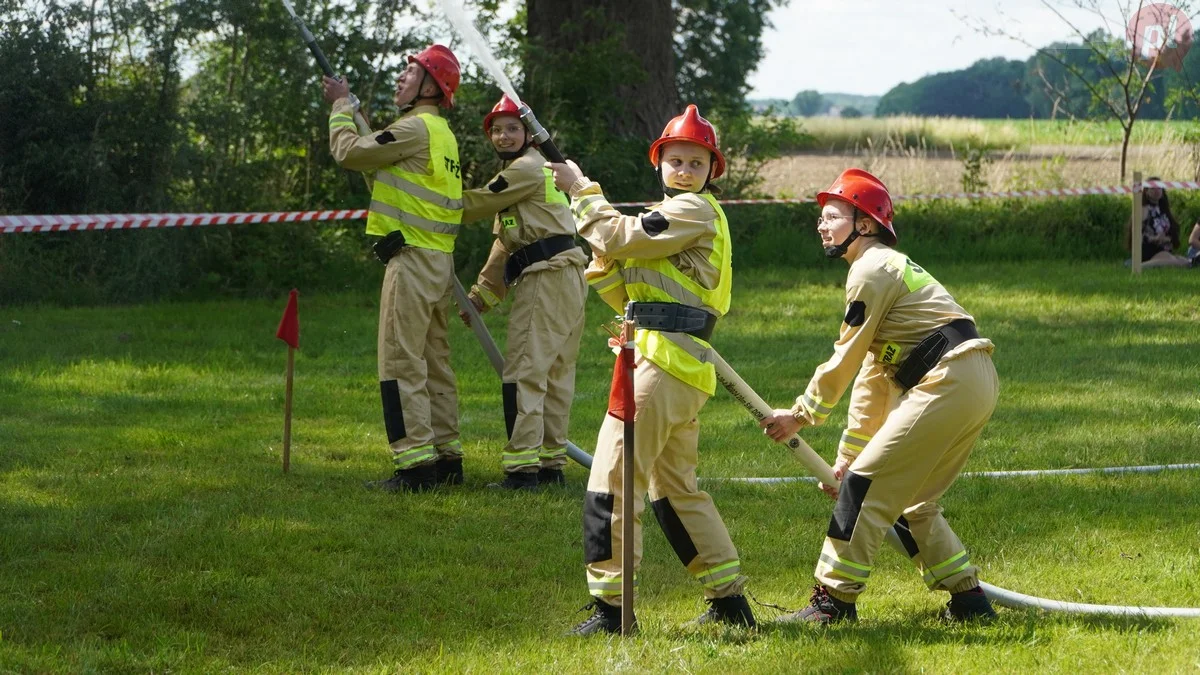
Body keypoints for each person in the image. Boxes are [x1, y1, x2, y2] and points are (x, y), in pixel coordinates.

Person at [547, 105, 756, 635]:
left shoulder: (693, 212)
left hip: (664, 365)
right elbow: (624, 288)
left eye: (695, 161)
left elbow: (618, 235)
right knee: (674, 489)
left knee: (612, 480)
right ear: (658, 164)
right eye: (675, 160)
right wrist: (604, 262)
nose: (684, 170)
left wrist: (582, 191)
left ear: (712, 171)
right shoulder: (663, 222)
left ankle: (613, 610)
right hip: (664, 362)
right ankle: (730, 604)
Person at [759, 168, 999, 624]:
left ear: (864, 224)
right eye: (822, 217)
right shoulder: (886, 266)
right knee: (912, 502)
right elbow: (872, 374)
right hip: (973, 379)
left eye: (832, 216)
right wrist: (849, 452)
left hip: (947, 379)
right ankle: (970, 601)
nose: (821, 225)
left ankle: (832, 602)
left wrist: (800, 414)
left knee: (862, 491)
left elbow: (845, 355)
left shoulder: (870, 269)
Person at [324, 44, 465, 492]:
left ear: (430, 86)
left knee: (401, 362)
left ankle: (415, 468)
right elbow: (380, 160)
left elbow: (351, 153)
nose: (400, 78)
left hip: (411, 261)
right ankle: (446, 460)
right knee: (434, 362)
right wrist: (360, 114)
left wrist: (341, 108)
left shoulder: (414, 128)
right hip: (438, 263)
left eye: (410, 71)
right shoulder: (439, 133)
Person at [458, 95, 588, 491]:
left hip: (548, 277)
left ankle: (522, 471)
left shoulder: (526, 169)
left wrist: (430, 203)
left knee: (524, 371)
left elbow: (479, 203)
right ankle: (550, 466)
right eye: (496, 130)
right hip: (566, 275)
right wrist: (482, 294)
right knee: (555, 372)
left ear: (528, 133)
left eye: (512, 128)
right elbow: (506, 244)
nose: (503, 135)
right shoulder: (533, 171)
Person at [1132, 179, 1192, 268]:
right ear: (1147, 192)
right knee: (1180, 263)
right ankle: (1139, 266)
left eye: (1159, 188)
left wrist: (1167, 239)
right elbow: (1137, 233)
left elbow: (1170, 232)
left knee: (1183, 260)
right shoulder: (1144, 210)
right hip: (1150, 249)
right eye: (1153, 189)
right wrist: (1154, 238)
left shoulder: (1164, 210)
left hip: (1165, 250)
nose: (1157, 191)